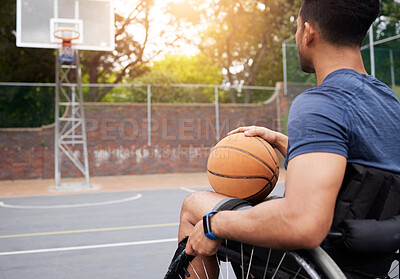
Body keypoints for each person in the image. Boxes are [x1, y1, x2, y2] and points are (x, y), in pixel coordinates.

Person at [177, 0, 400, 278]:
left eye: (296, 28)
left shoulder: (319, 102)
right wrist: (284, 142)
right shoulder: (389, 101)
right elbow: (363, 171)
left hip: (314, 262)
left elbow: (303, 223)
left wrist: (214, 225)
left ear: (308, 32)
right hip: (369, 260)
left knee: (195, 206)